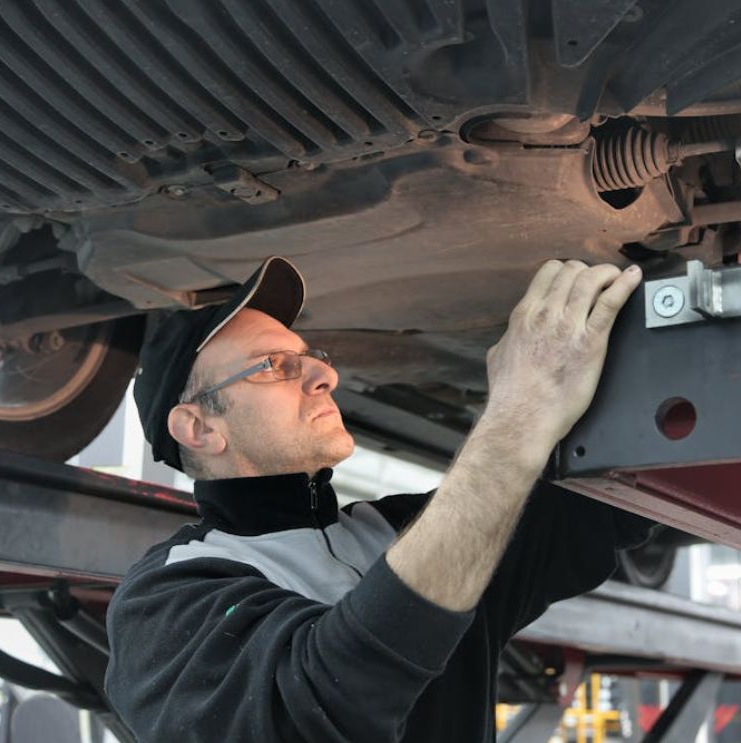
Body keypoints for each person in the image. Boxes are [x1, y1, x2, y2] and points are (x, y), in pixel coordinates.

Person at [105, 255, 650, 742]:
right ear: (198, 429)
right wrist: (518, 411)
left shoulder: (404, 530)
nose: (326, 374)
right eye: (274, 365)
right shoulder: (169, 598)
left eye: (310, 356)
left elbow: (612, 498)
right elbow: (326, 698)